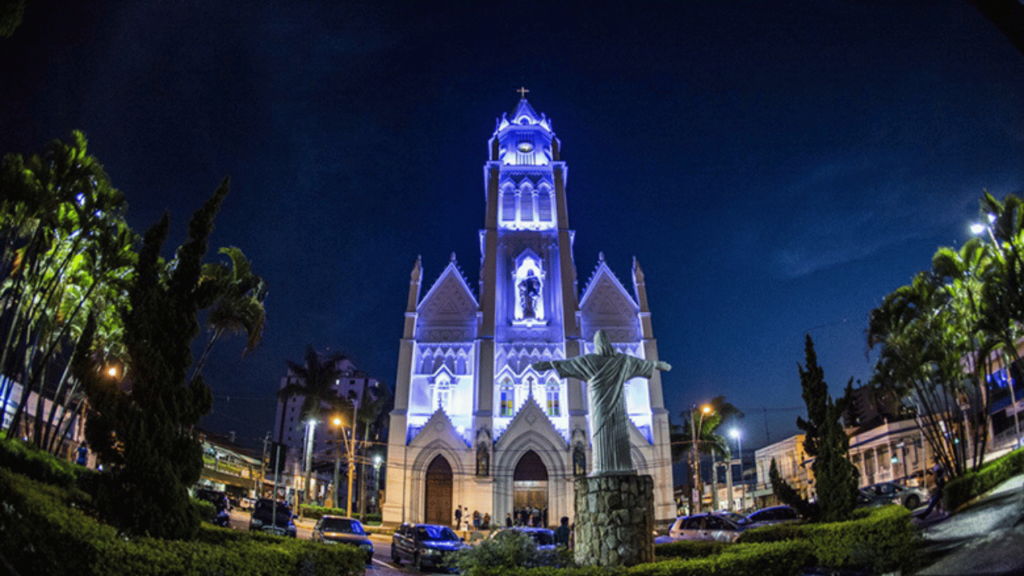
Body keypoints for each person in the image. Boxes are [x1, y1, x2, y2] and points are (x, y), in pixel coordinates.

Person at [533, 330, 671, 475]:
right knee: (619, 436)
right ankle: (620, 468)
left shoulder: (591, 361)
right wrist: (658, 365)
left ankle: (603, 469)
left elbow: (568, 364)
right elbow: (642, 364)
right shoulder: (622, 361)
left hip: (600, 410)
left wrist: (547, 365)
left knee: (602, 438)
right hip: (617, 408)